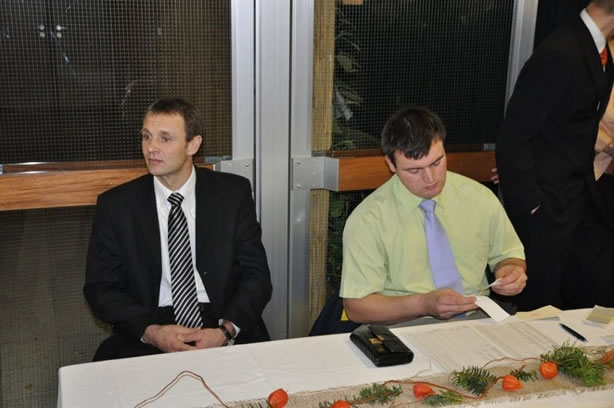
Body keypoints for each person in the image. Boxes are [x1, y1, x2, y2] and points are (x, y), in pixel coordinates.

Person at [84, 97, 272, 360]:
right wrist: (152, 332)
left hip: (221, 319)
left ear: (193, 144)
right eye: (146, 137)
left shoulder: (232, 194)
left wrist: (225, 331)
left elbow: (256, 275)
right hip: (150, 322)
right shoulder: (117, 206)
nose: (151, 148)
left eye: (165, 138)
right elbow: (101, 288)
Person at [340, 107, 527, 324]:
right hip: (403, 325)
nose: (430, 178)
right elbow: (357, 308)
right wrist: (423, 304)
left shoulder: (478, 197)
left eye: (436, 163)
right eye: (414, 170)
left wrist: (511, 270)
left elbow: (508, 254)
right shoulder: (369, 219)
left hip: (477, 317)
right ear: (391, 164)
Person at [496, 0, 614, 311]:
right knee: (541, 305)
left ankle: (596, 342)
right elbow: (515, 135)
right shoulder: (560, 52)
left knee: (596, 293)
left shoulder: (599, 51)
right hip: (547, 205)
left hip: (581, 196)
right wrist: (531, 206)